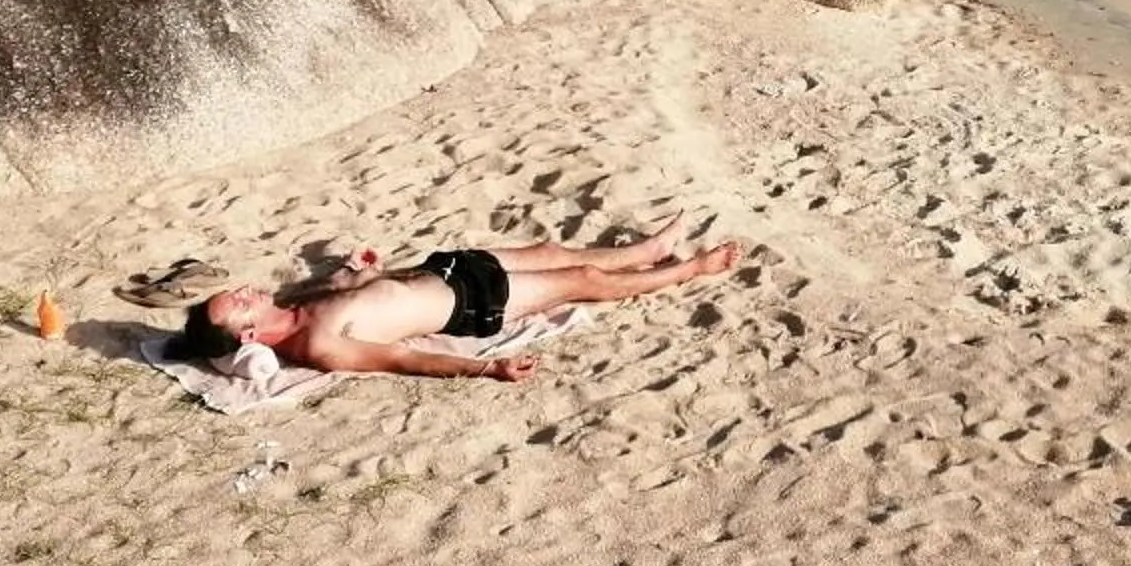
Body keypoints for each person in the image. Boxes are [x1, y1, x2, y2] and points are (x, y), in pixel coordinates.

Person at [161, 218, 740, 383]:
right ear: (247, 336)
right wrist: (488, 366)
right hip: (468, 308)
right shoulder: (318, 345)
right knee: (583, 278)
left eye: (232, 292)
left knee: (549, 249)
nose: (242, 292)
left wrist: (358, 270)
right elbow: (404, 359)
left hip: (445, 268)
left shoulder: (294, 300)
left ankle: (647, 249)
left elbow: (352, 286)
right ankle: (690, 269)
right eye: (236, 305)